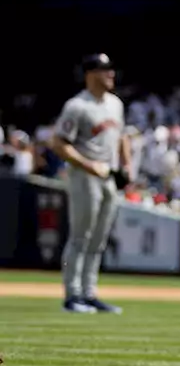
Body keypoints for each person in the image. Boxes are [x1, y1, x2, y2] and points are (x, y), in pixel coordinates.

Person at [50, 53, 131, 314]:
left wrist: (126, 165)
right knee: (80, 237)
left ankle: (89, 293)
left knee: (98, 240)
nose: (110, 74)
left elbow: (121, 136)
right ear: (90, 73)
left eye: (111, 69)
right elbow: (59, 143)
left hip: (109, 175)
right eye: (104, 69)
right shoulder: (77, 106)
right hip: (84, 175)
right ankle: (72, 296)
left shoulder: (115, 104)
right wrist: (88, 164)